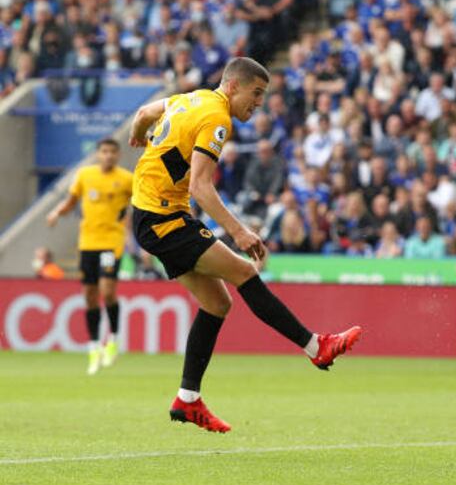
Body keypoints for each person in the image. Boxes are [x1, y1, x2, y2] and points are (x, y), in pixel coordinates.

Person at [127, 58, 362, 433]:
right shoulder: (217, 118)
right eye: (256, 94)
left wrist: (140, 134)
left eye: (263, 97)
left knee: (218, 304)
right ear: (234, 87)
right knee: (244, 271)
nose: (258, 104)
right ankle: (317, 348)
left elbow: (143, 112)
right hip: (163, 219)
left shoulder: (192, 98)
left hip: (149, 214)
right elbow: (200, 187)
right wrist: (238, 231)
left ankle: (187, 399)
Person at [47, 138, 133, 375]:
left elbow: (142, 201)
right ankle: (94, 347)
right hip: (87, 243)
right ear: (97, 154)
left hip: (110, 243)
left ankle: (113, 340)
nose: (108, 156)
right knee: (89, 295)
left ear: (118, 155)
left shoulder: (126, 179)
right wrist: (56, 213)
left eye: (112, 152)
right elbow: (70, 202)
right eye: (104, 152)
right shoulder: (85, 176)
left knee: (107, 291)